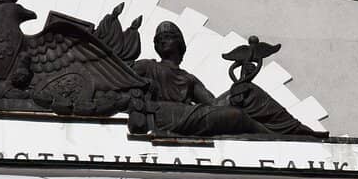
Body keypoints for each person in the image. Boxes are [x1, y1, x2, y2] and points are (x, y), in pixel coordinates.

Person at [132, 21, 324, 138]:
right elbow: (121, 77)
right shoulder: (147, 66)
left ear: (180, 43)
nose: (162, 40)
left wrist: (241, 83)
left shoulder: (189, 79)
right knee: (235, 116)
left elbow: (212, 104)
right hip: (169, 115)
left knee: (247, 90)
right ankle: (273, 136)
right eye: (159, 39)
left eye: (168, 36)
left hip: (193, 114)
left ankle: (295, 130)